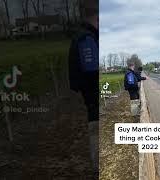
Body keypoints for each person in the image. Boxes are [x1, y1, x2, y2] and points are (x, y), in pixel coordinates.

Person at [68, 0, 98, 178]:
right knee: (96, 129)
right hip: (94, 96)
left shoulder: (85, 35)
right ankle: (98, 170)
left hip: (91, 95)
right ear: (97, 18)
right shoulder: (86, 38)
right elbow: (92, 71)